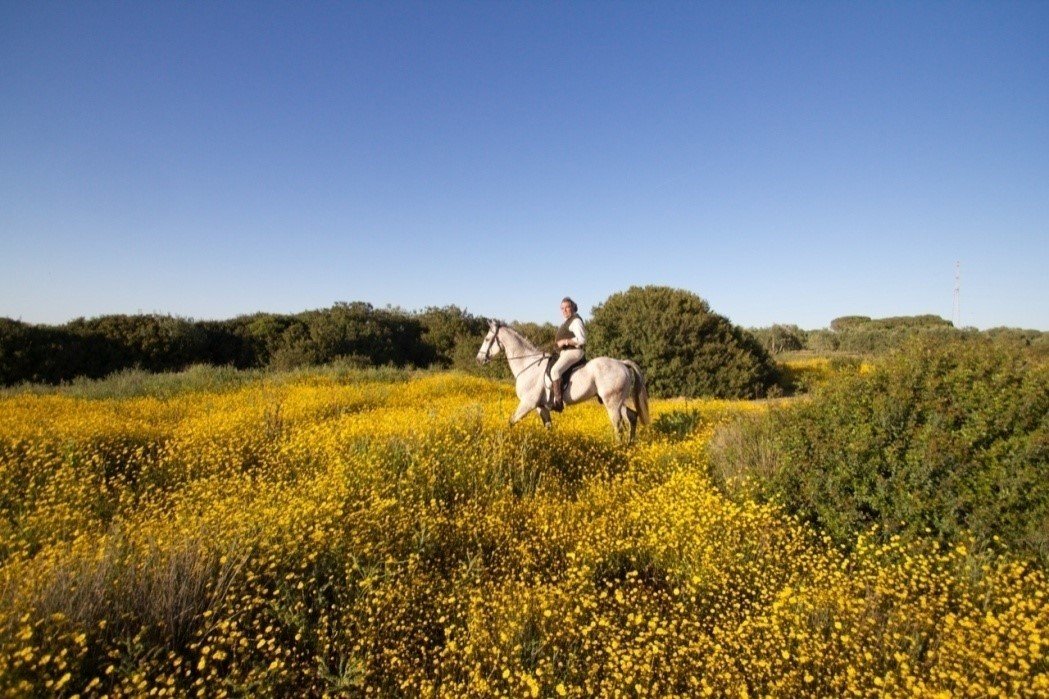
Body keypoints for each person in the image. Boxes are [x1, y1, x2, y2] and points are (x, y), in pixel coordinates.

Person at [549, 296, 586, 411]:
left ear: (573, 308)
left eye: (567, 307)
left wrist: (565, 341)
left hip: (574, 352)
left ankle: (559, 403)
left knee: (555, 371)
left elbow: (582, 340)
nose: (564, 310)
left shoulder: (576, 321)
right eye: (562, 308)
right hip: (565, 352)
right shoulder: (567, 321)